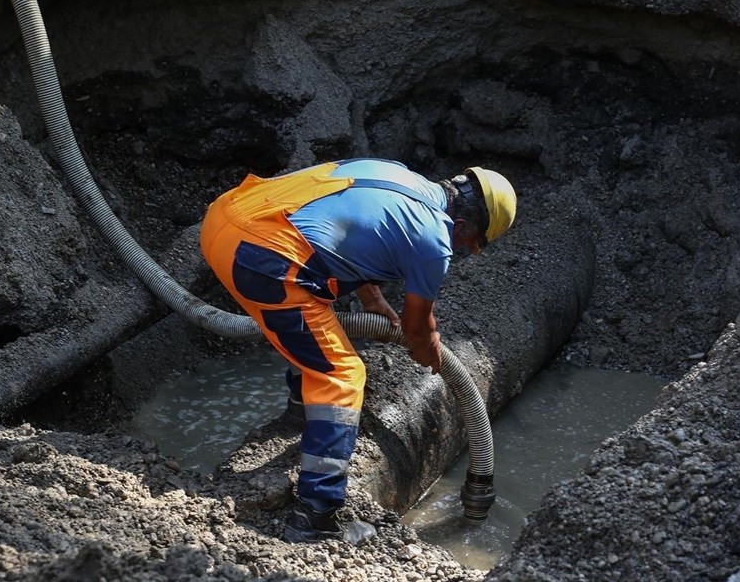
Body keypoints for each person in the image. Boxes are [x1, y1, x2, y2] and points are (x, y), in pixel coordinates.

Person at [199, 158, 516, 542]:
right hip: (264, 259)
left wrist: (372, 298)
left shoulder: (397, 175)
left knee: (315, 319)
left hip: (224, 219)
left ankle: (303, 411)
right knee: (343, 376)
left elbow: (348, 226)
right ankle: (315, 515)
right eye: (466, 244)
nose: (460, 248)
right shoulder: (434, 239)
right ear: (463, 225)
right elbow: (418, 327)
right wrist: (428, 348)